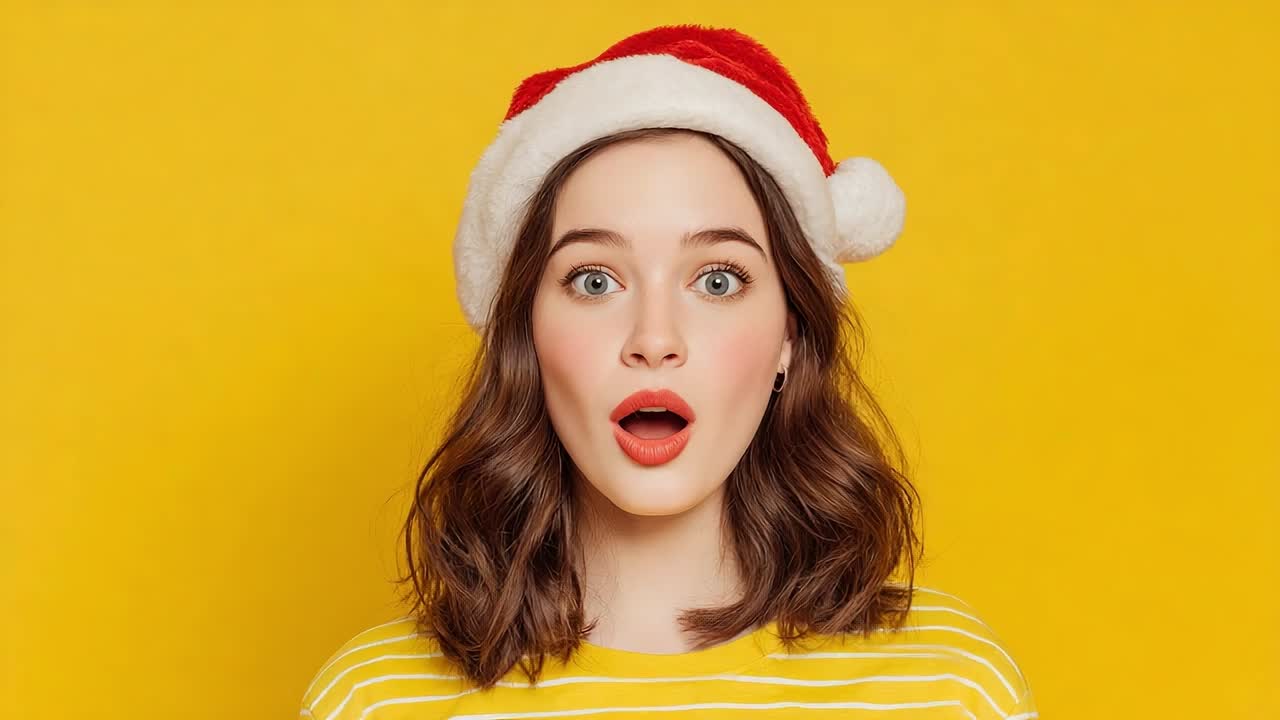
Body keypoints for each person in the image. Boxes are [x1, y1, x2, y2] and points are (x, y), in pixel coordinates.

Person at [299, 24, 1038, 720]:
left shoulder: (949, 685)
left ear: (790, 334)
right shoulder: (375, 698)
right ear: (525, 330)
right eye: (594, 280)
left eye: (717, 280)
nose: (654, 340)